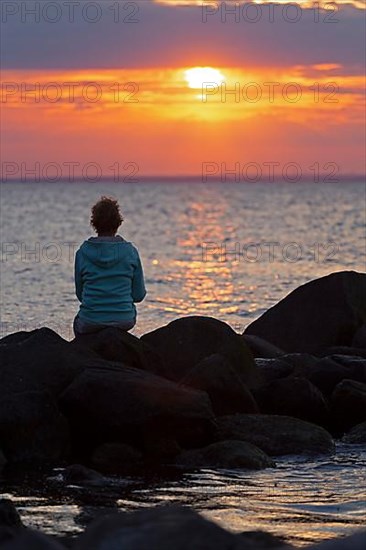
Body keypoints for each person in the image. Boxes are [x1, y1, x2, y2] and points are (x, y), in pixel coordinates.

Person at [73, 195, 146, 337]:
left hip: (90, 321)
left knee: (77, 324)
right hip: (124, 320)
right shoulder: (130, 252)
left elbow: (80, 295)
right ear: (118, 223)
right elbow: (138, 295)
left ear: (94, 224)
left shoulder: (82, 252)